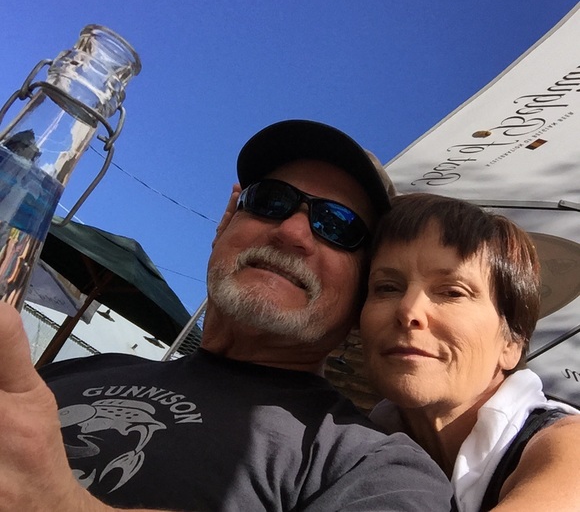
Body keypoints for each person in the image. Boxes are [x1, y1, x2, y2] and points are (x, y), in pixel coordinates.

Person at [0, 120, 453, 512]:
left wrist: (59, 502)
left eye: (338, 226)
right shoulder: (80, 369)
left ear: (365, 297)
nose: (291, 231)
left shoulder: (370, 465)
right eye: (270, 201)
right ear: (224, 226)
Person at [360, 192, 580, 512]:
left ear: (511, 343)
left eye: (452, 292)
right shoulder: (347, 445)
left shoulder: (565, 449)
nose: (408, 310)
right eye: (387, 288)